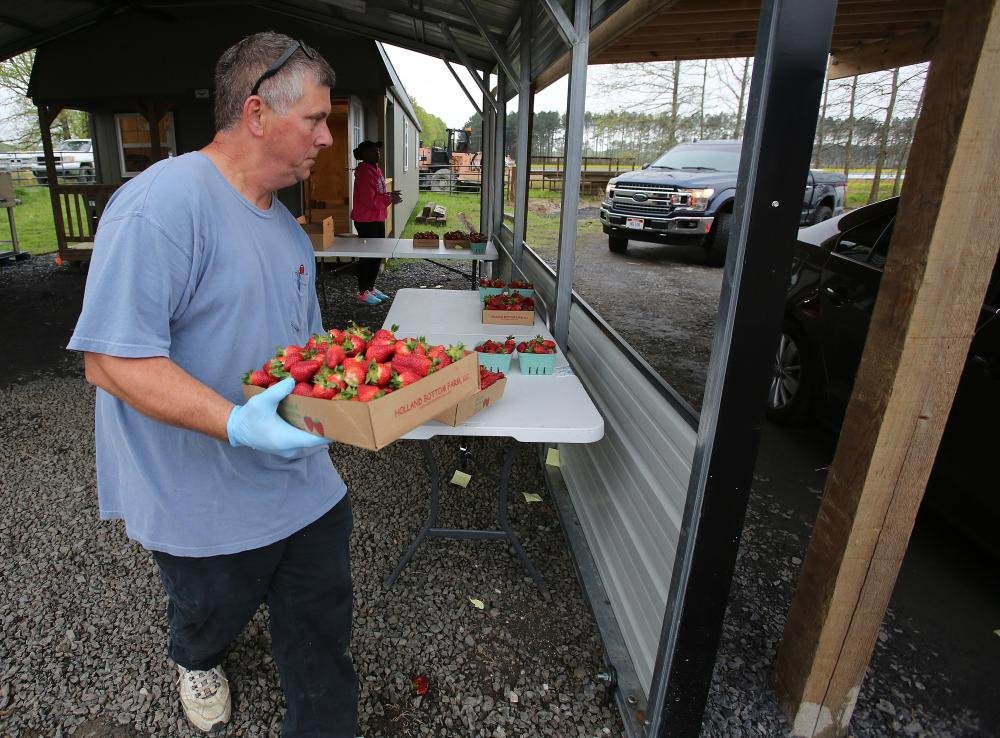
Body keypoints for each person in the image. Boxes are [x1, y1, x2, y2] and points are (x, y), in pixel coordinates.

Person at [67, 32, 358, 737]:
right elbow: (109, 361)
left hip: (302, 483)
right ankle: (196, 658)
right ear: (257, 113)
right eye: (315, 119)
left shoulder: (287, 228)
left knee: (323, 632)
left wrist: (357, 386)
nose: (328, 137)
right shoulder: (162, 205)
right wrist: (235, 423)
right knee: (209, 613)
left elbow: (304, 349)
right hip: (199, 498)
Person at [350, 139, 401, 305]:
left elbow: (378, 194)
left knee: (376, 256)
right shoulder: (364, 172)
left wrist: (389, 195)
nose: (377, 153)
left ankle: (370, 287)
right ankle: (362, 292)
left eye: (378, 150)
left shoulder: (376, 169)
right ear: (364, 155)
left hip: (377, 218)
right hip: (366, 220)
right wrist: (389, 199)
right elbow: (369, 200)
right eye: (373, 150)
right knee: (367, 257)